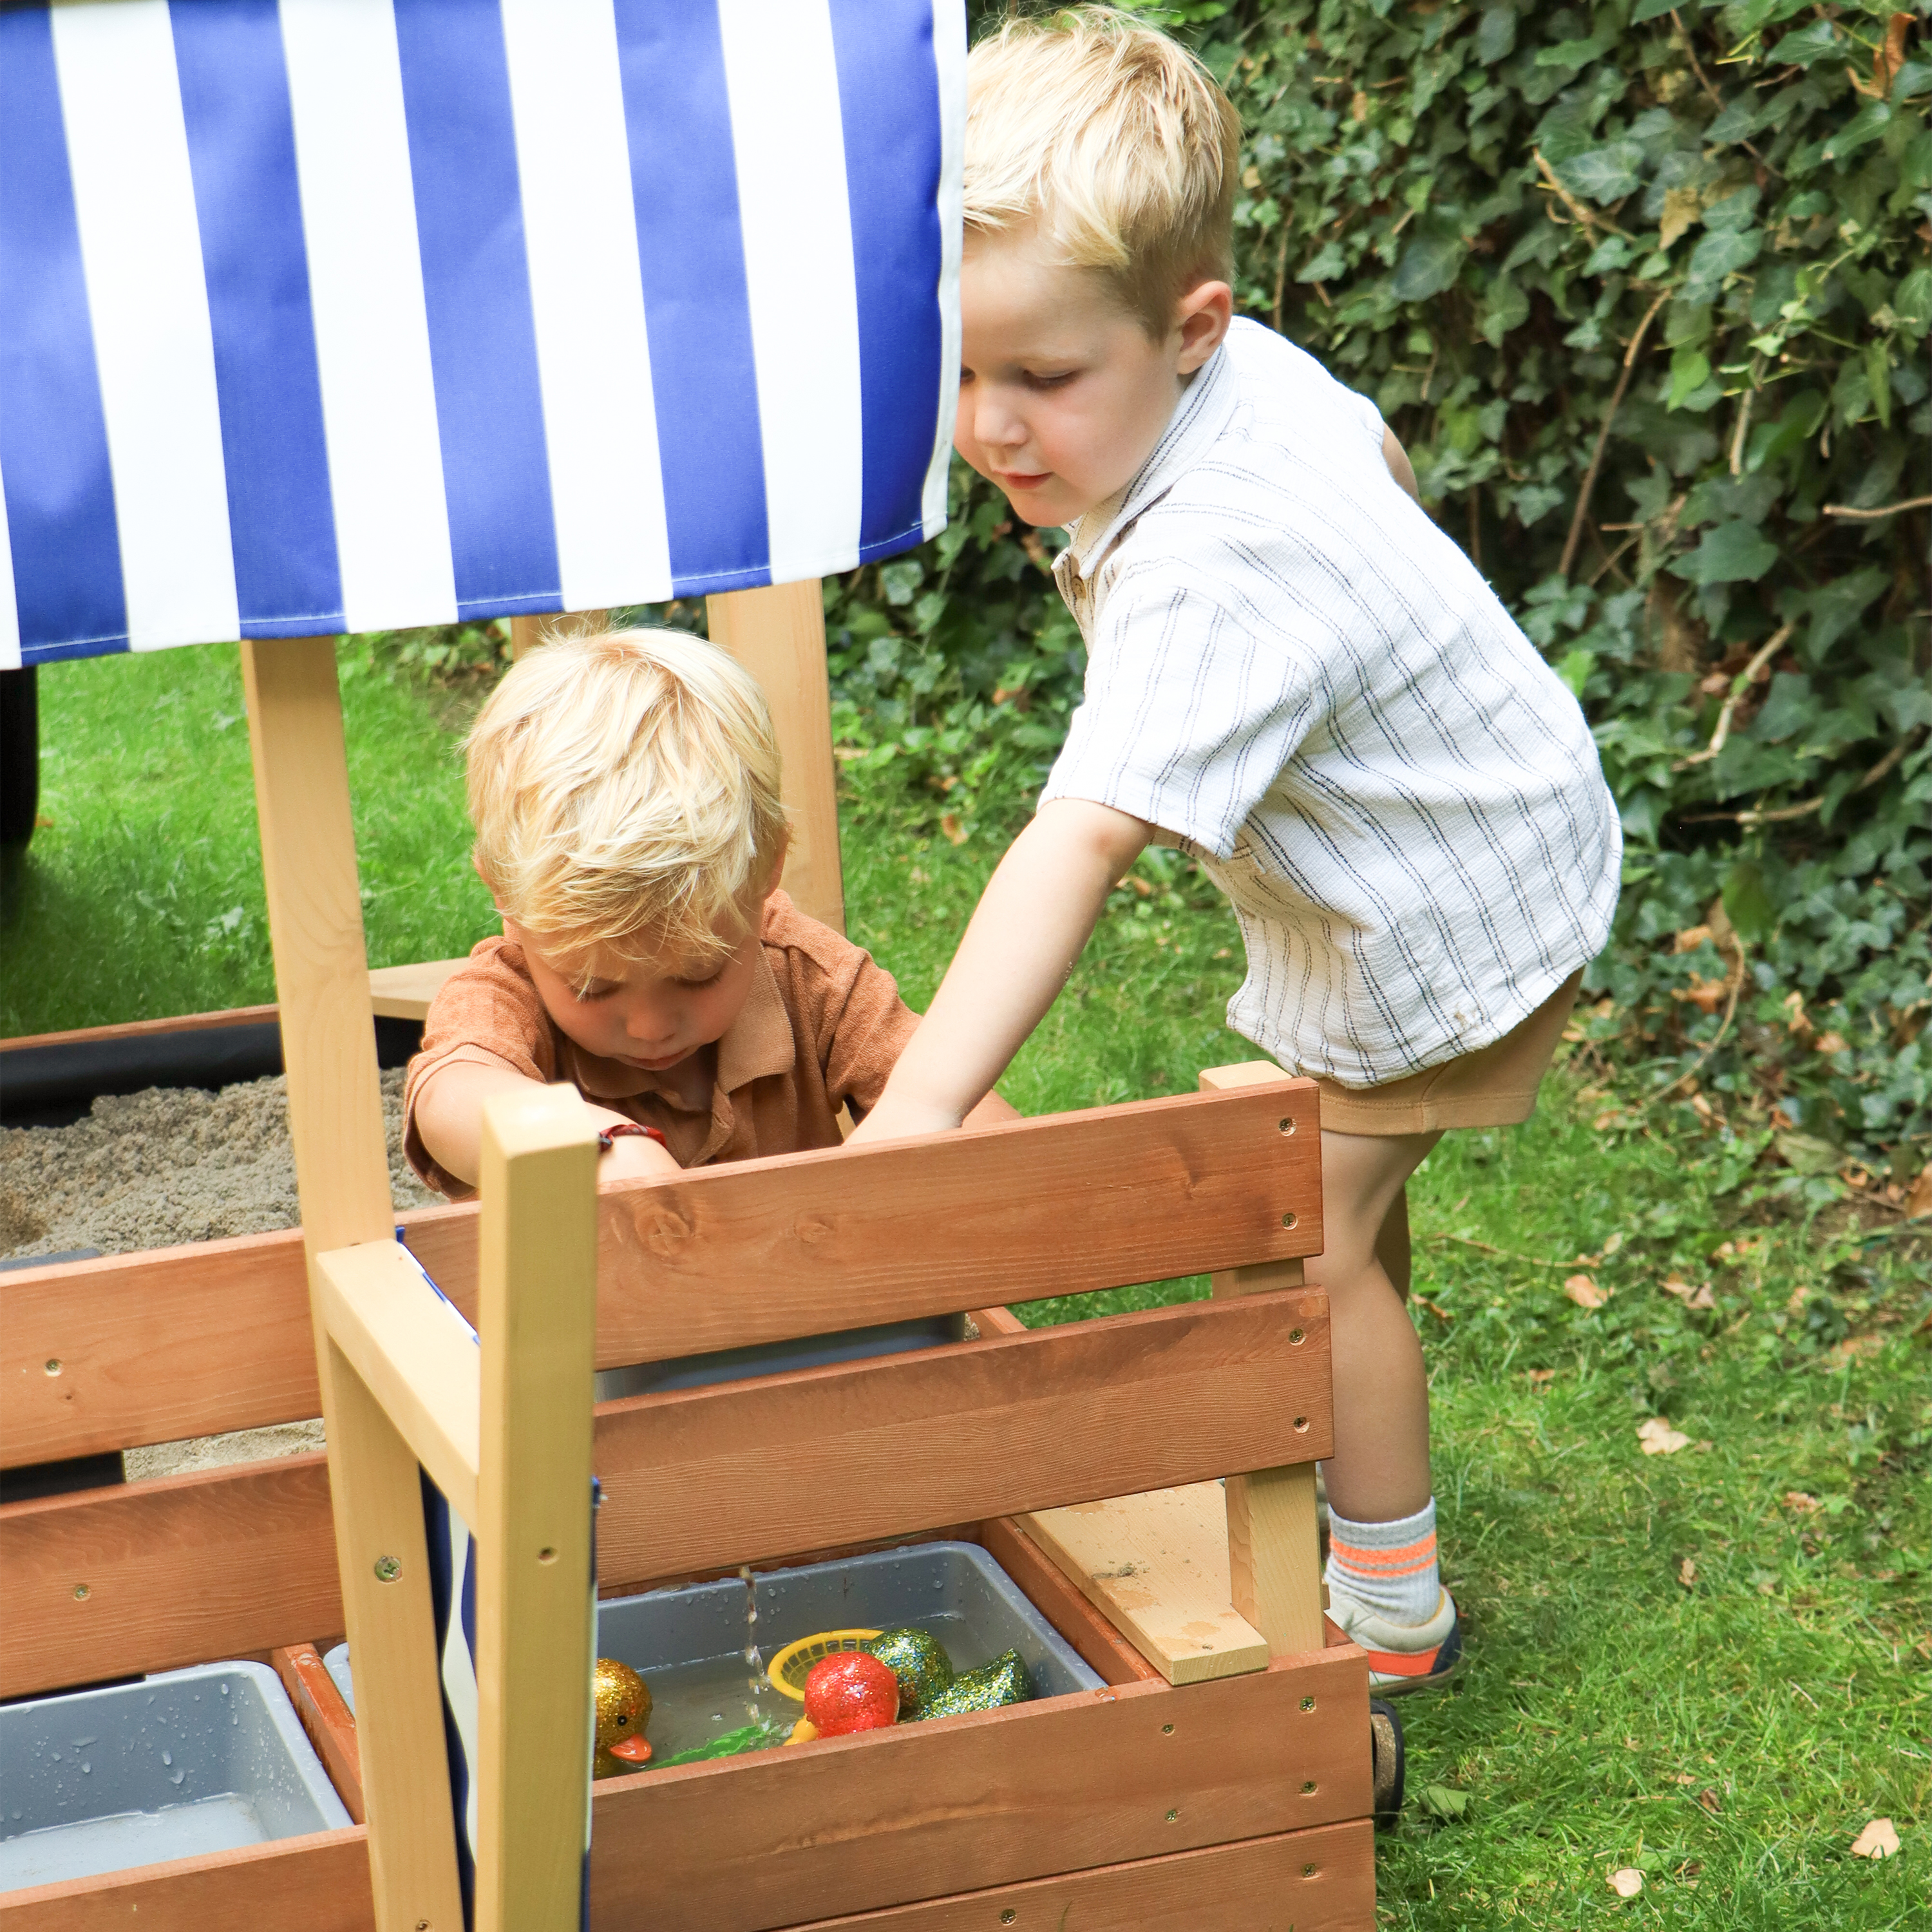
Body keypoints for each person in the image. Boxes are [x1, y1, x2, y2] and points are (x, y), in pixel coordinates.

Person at [847, 8, 1622, 1694]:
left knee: (1298, 1244)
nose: (991, 425)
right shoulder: (1241, 376)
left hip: (1444, 912)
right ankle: (1368, 1497)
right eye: (961, 370)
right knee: (1337, 1204)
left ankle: (1392, 1615)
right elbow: (1382, 460)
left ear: (1187, 326)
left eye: (1044, 380)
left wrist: (916, 1111)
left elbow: (1082, 838)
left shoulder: (1215, 561)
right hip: (1468, 839)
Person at [406, 626, 1009, 1208]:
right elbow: (449, 1098)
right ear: (506, 898)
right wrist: (598, 1148)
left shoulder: (812, 979)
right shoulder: (505, 993)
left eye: (699, 975)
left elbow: (988, 1131)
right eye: (593, 987)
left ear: (768, 869)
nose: (650, 1027)